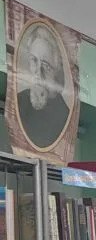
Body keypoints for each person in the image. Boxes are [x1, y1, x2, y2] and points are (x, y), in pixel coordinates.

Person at [16, 23, 71, 151]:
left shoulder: (64, 116)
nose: (38, 73)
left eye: (46, 65)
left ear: (56, 71)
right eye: (34, 60)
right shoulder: (19, 101)